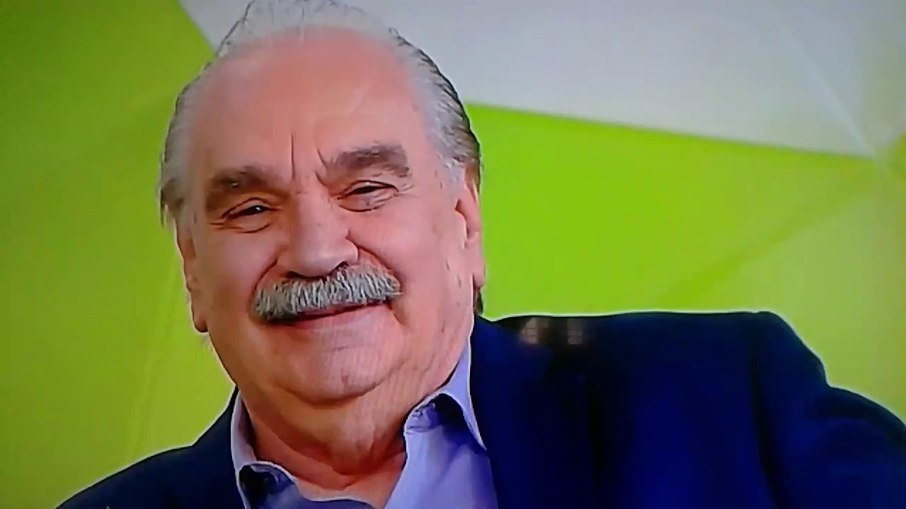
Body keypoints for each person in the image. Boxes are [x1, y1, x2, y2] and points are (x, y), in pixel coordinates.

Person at [60, 1, 906, 508]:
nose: (316, 250)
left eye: (367, 188)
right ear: (192, 268)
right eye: (251, 208)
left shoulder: (728, 401)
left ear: (464, 220)